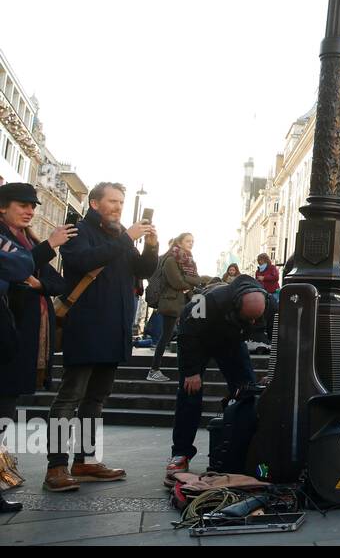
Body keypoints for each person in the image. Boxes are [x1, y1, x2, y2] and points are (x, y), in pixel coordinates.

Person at [44, 182, 157, 492]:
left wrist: (150, 244)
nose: (118, 207)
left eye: (121, 201)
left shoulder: (120, 237)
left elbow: (144, 270)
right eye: (112, 201)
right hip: (86, 326)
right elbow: (82, 262)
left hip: (114, 329)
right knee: (70, 397)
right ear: (94, 204)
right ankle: (55, 467)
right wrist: (127, 238)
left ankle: (85, 460)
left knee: (96, 399)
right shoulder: (78, 231)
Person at [0, 184, 75, 512]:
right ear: (3, 207)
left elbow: (57, 283)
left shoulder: (25, 241)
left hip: (19, 340)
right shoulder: (10, 238)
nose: (30, 210)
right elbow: (17, 268)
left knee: (4, 415)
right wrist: (48, 246)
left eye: (33, 205)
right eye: (22, 204)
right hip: (8, 335)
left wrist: (38, 282)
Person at [164, 275, 266, 481]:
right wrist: (192, 372)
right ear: (236, 304)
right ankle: (181, 453)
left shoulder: (268, 303)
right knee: (189, 394)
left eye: (255, 319)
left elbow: (277, 333)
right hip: (197, 342)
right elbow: (186, 332)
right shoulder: (209, 300)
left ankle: (245, 451)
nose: (253, 323)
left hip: (230, 341)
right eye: (249, 318)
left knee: (249, 391)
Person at [152, 234, 212, 383]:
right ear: (179, 242)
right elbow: (177, 282)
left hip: (185, 302)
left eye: (193, 241)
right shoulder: (171, 260)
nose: (191, 244)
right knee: (165, 337)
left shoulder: (189, 261)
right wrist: (190, 282)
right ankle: (154, 369)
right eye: (188, 241)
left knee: (185, 336)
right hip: (172, 303)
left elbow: (197, 279)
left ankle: (185, 369)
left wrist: (189, 281)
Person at [254, 252, 279, 345]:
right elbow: (256, 279)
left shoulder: (272, 268)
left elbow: (276, 277)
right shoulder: (258, 270)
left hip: (272, 292)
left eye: (262, 260)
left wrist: (264, 278)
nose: (260, 262)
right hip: (263, 293)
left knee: (273, 311)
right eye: (259, 261)